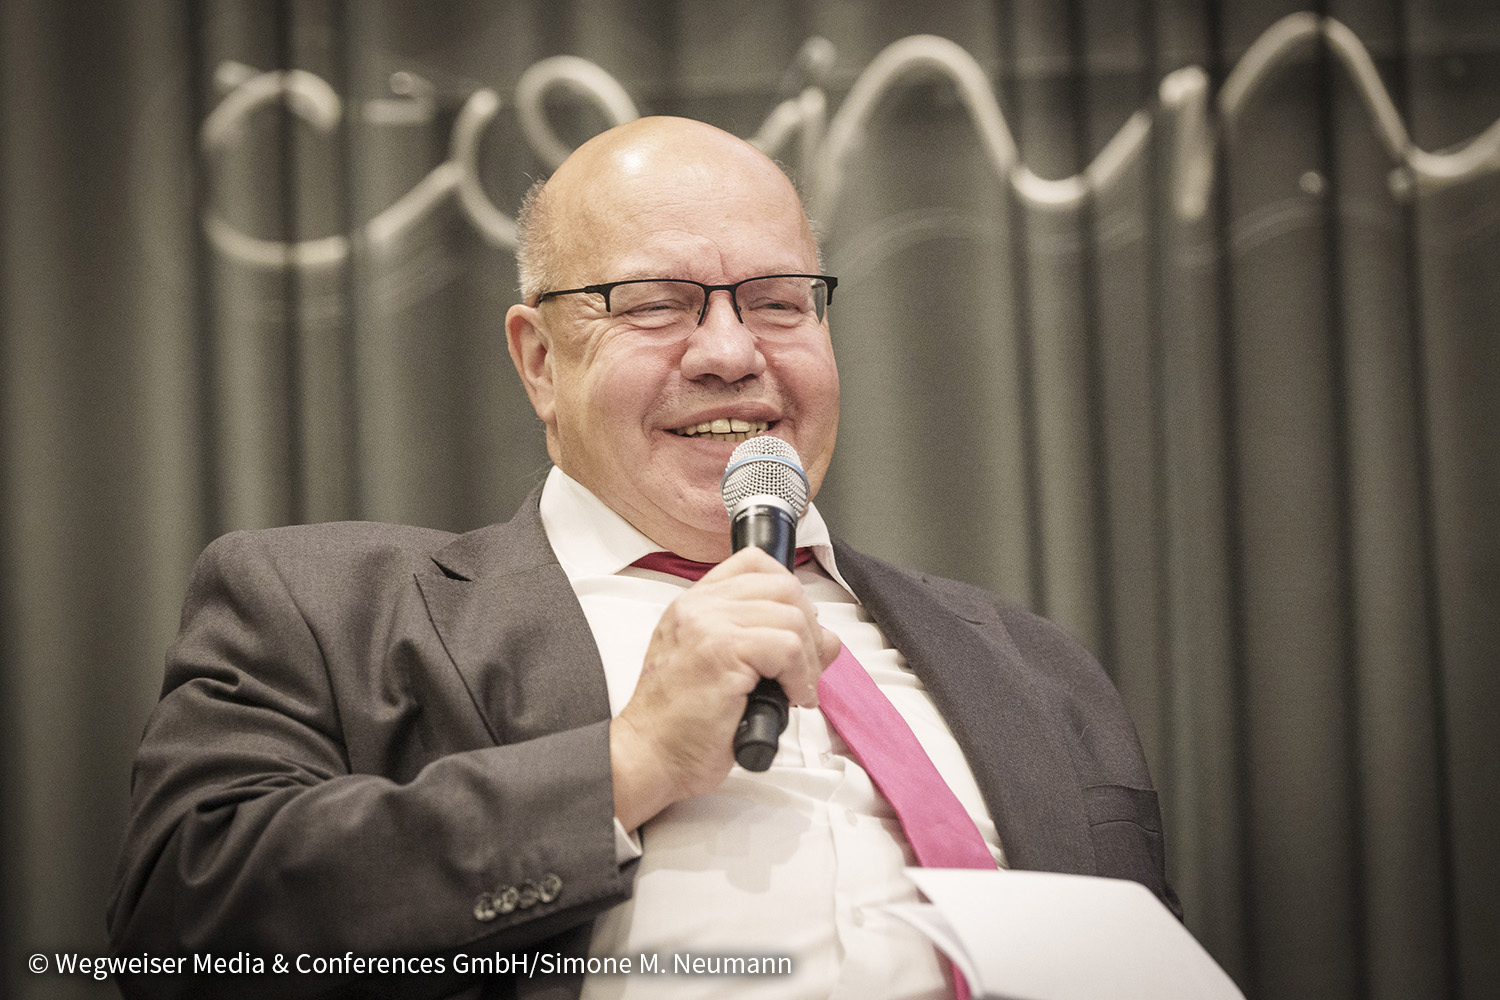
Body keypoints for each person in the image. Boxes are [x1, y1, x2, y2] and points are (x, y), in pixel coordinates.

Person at [108, 116, 1176, 1000]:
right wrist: (629, 762)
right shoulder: (327, 609)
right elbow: (185, 927)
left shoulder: (1032, 662)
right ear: (539, 360)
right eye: (656, 305)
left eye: (777, 302)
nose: (732, 353)